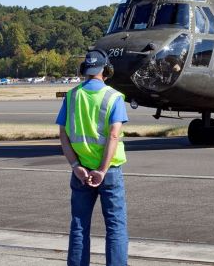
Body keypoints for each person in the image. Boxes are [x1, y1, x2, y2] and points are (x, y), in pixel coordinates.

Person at [56, 49, 129, 266]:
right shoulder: (113, 97)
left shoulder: (71, 96)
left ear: (84, 71)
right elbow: (114, 134)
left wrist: (75, 165)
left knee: (79, 226)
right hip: (109, 172)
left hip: (81, 172)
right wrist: (102, 170)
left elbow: (63, 134)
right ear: (107, 70)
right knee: (115, 227)